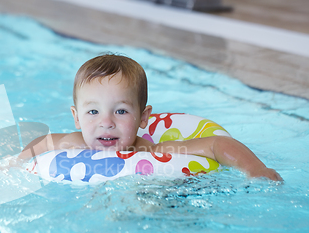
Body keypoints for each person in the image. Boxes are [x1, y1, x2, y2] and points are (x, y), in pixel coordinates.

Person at [16, 54, 282, 181]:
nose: (106, 122)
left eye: (120, 111)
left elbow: (216, 145)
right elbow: (43, 141)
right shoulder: (75, 142)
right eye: (93, 111)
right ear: (76, 117)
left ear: (144, 118)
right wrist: (14, 165)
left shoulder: (155, 151)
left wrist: (256, 169)